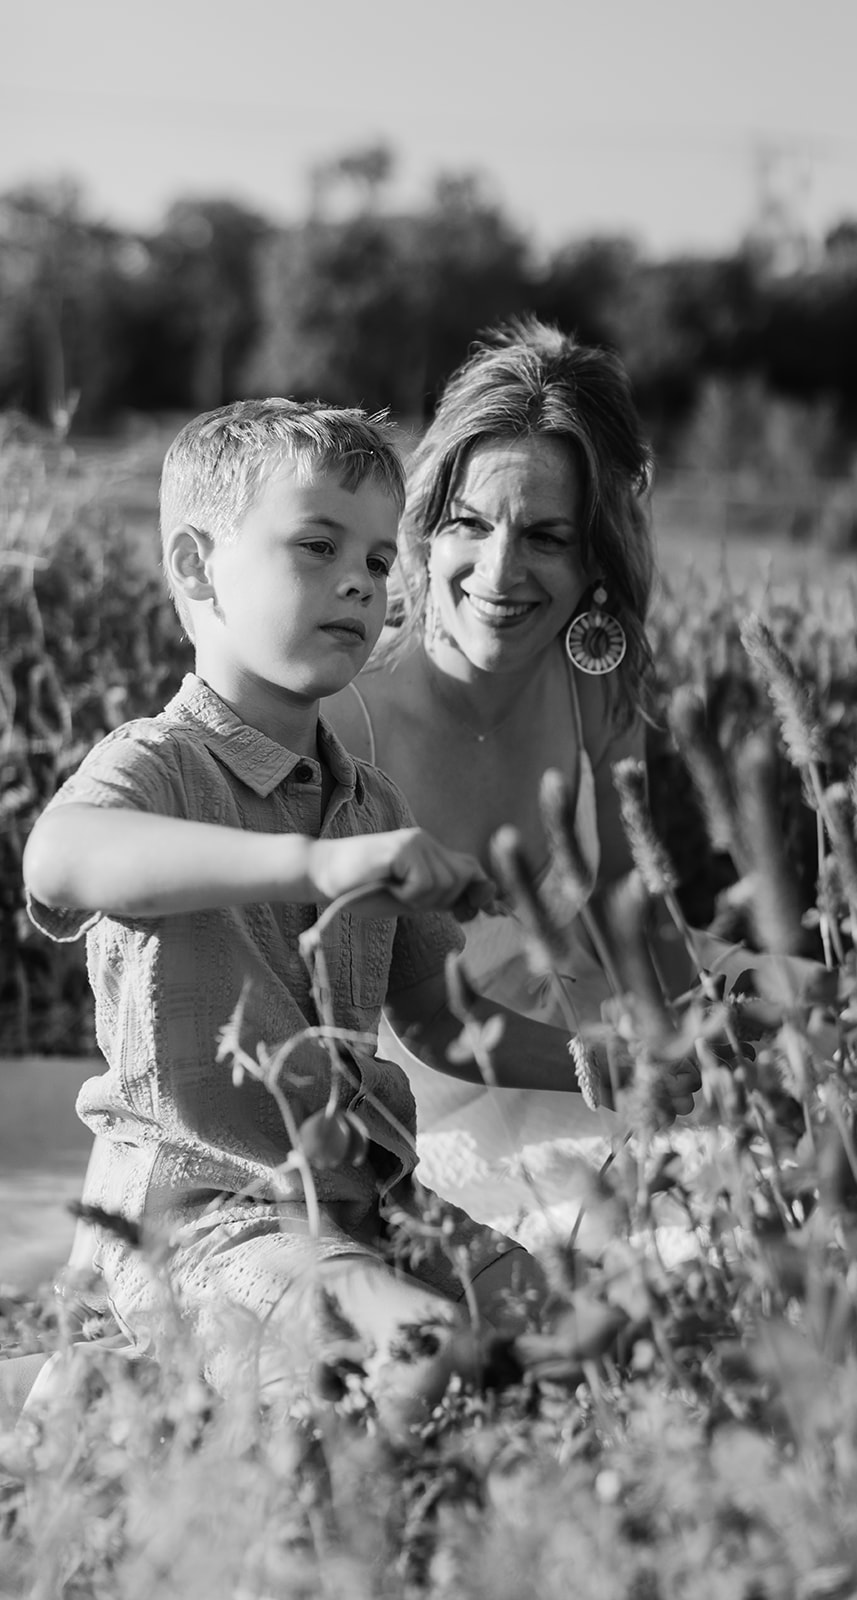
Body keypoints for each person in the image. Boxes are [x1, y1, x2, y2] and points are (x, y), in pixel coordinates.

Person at [20, 398, 625, 1435]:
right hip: (203, 1220)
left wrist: (602, 1062)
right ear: (199, 568)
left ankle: (133, 1398)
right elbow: (62, 857)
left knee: (577, 1331)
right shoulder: (157, 763)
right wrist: (314, 863)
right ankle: (136, 1405)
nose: (361, 581)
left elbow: (442, 1023)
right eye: (315, 545)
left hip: (366, 1211)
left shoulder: (368, 802)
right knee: (415, 1352)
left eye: (380, 561)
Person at [321, 321, 704, 1241]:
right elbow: (413, 1018)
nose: (498, 572)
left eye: (545, 536)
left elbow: (630, 900)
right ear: (422, 526)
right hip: (441, 1095)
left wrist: (693, 1039)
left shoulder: (594, 680)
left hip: (598, 1032)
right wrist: (610, 1063)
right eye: (469, 524)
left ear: (595, 559)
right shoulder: (345, 717)